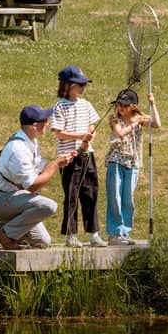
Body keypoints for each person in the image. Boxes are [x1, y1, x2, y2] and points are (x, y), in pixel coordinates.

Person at [0, 104, 75, 250]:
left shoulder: (31, 141)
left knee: (42, 241)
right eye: (44, 120)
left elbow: (40, 170)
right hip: (0, 200)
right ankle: (6, 235)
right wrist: (55, 165)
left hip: (15, 198)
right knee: (49, 206)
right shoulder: (18, 149)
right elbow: (32, 186)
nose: (47, 122)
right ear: (34, 125)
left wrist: (61, 161)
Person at [52, 65, 102, 247]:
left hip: (87, 154)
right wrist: (79, 137)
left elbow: (91, 126)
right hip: (68, 157)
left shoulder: (86, 104)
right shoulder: (59, 106)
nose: (83, 87)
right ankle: (71, 235)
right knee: (72, 195)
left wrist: (88, 138)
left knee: (90, 193)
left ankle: (93, 233)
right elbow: (58, 132)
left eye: (84, 84)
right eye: (79, 84)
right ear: (67, 85)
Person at [105, 89, 163, 245]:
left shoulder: (139, 118)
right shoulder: (115, 120)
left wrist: (153, 104)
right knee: (115, 197)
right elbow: (120, 133)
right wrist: (135, 123)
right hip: (116, 161)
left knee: (127, 199)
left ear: (133, 106)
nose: (120, 107)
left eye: (124, 104)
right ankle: (114, 233)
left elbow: (157, 124)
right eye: (118, 104)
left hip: (133, 163)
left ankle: (125, 232)